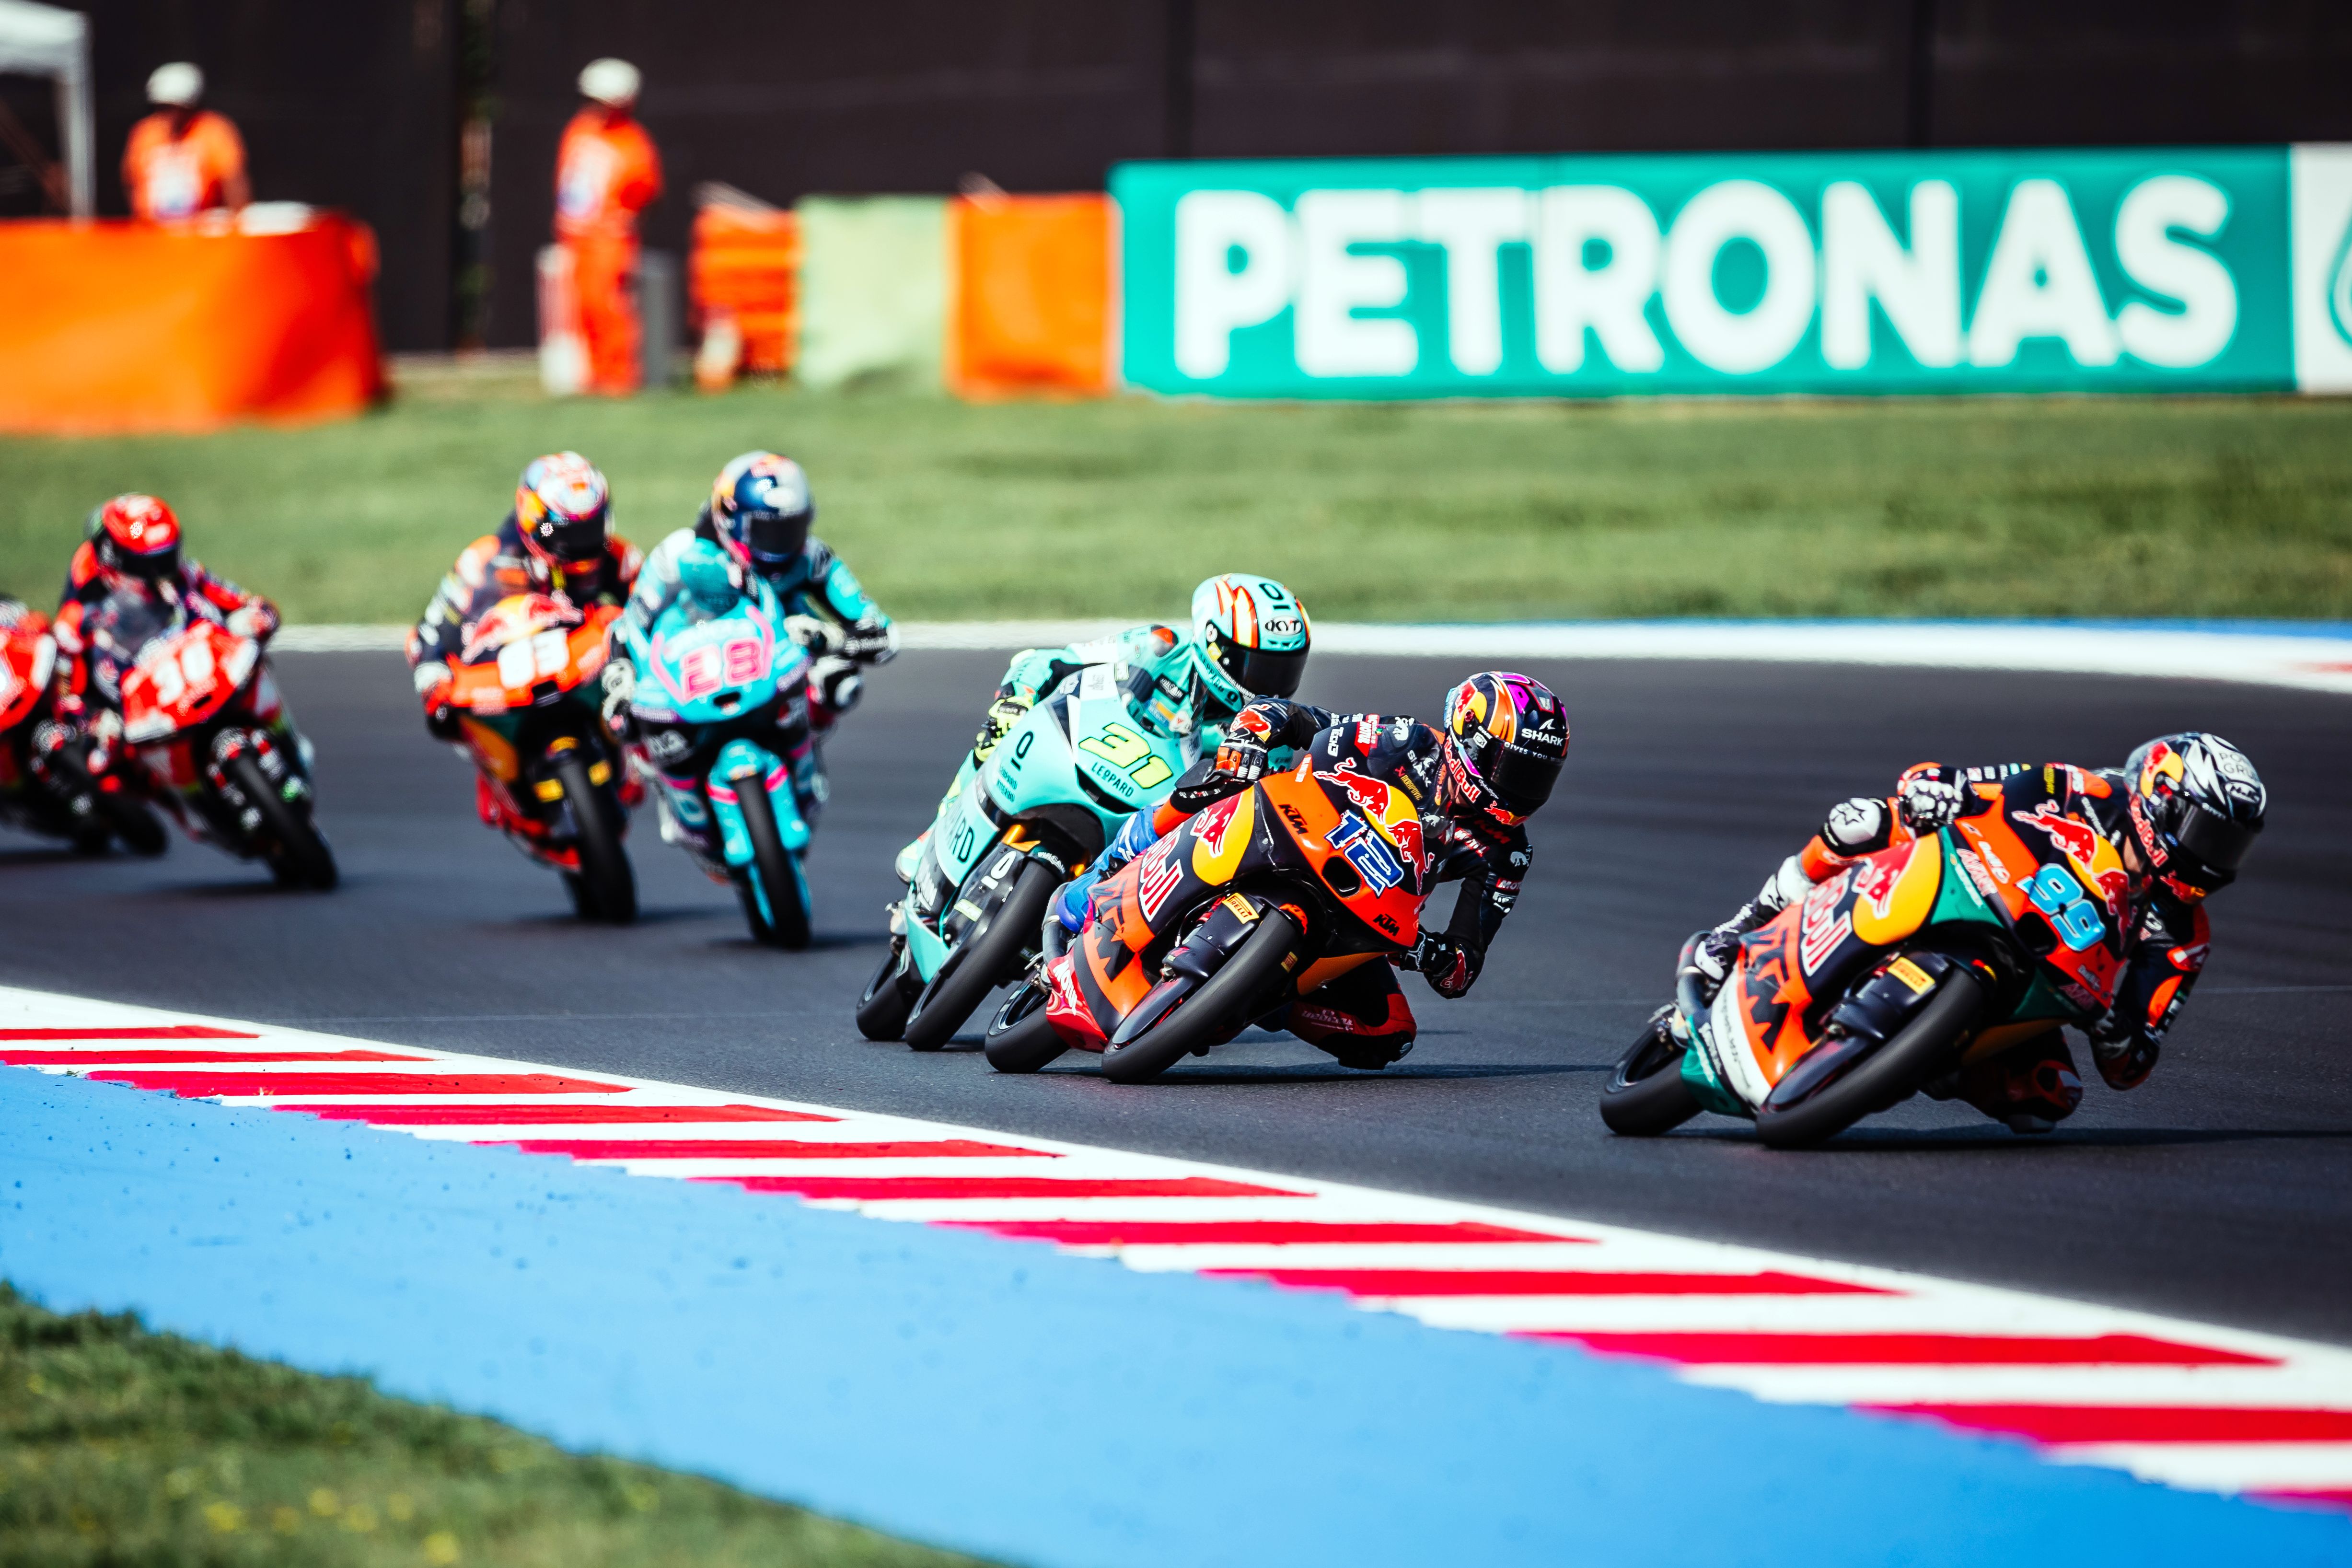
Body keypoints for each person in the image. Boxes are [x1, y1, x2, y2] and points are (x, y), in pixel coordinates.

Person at [1686, 736, 2266, 1132]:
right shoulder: (2077, 788)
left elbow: (2132, 1064)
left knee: (2049, 1097)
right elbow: (1968, 784)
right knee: (1858, 820)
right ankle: (1747, 924)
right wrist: (1945, 791)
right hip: (1974, 884)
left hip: (2043, 980)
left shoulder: (2182, 935)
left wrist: (2115, 1029)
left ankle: (1926, 1056)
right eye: (2207, 834)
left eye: (2230, 847)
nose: (2214, 859)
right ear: (2160, 800)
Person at [1056, 671, 1570, 1069]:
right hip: (1294, 834)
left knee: (1389, 1033)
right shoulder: (1405, 741)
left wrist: (1434, 955)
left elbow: (1463, 966)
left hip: (1362, 911)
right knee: (1220, 780)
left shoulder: (1506, 852)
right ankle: (1108, 871)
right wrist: (1252, 737)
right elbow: (1295, 717)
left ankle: (1256, 996)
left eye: (1539, 775)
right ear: (1471, 742)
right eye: (1516, 768)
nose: (1523, 788)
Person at [893, 572, 1312, 885]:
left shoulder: (1272, 733)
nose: (1272, 686)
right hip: (1089, 758)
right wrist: (1016, 699)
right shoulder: (1161, 646)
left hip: (1153, 822)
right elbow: (1046, 662)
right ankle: (935, 834)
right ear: (1213, 644)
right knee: (1001, 730)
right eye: (1260, 667)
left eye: (1285, 670)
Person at [604, 452, 892, 819]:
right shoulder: (679, 554)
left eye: (792, 528)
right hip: (701, 669)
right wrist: (623, 675)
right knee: (628, 716)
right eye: (767, 531)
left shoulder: (812, 557)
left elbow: (883, 636)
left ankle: (803, 751)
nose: (782, 543)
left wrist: (828, 637)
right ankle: (671, 785)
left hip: (782, 662)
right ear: (730, 519)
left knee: (840, 681)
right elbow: (630, 624)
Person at [406, 453, 643, 745]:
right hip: (506, 692)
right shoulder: (484, 561)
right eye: (570, 533)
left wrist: (623, 626)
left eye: (591, 529)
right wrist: (435, 685)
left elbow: (652, 602)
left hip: (585, 676)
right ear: (535, 520)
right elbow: (427, 635)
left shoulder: (616, 556)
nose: (584, 546)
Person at [54, 494, 283, 754]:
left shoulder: (186, 575)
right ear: (113, 561)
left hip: (205, 675)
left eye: (167, 558)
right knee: (104, 759)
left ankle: (285, 740)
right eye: (148, 564)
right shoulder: (78, 621)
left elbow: (248, 604)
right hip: (144, 717)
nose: (161, 572)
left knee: (257, 672)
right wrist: (96, 720)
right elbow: (68, 699)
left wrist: (253, 618)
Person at [554, 58, 662, 395]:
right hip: (578, 235)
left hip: (608, 239)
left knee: (609, 305)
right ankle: (596, 373)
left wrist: (626, 216)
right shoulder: (580, 130)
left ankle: (619, 377)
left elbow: (646, 188)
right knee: (584, 306)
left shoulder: (632, 141)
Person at [122, 63, 249, 222]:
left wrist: (237, 221)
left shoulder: (214, 131)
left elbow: (234, 180)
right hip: (152, 229)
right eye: (162, 108)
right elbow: (130, 180)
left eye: (176, 108)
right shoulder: (145, 133)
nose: (169, 115)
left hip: (200, 228)